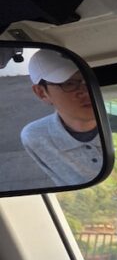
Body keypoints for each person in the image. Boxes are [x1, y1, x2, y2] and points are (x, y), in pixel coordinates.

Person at [20, 50, 103, 186]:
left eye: (91, 80)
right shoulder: (35, 137)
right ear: (41, 93)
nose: (87, 91)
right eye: (69, 83)